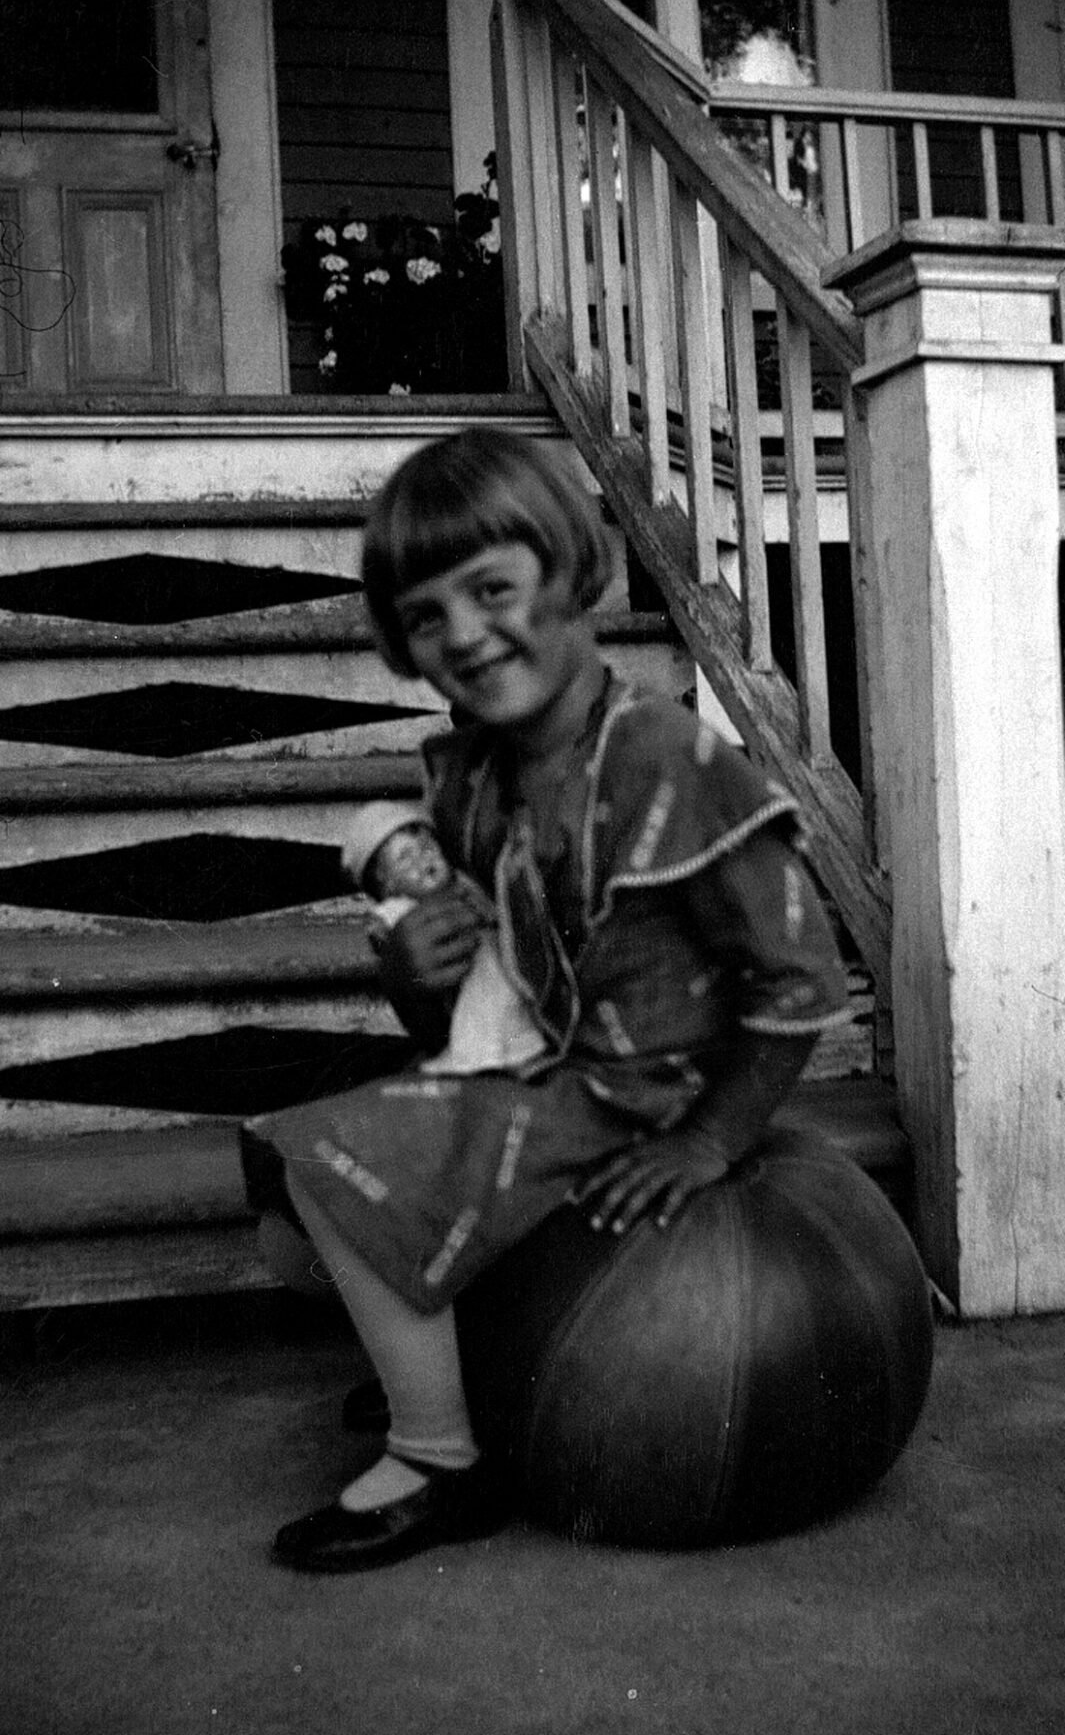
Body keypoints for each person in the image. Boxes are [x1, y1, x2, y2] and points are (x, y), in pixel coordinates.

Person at [243, 426, 850, 1574]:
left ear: (571, 575)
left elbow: (801, 978)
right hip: (545, 1067)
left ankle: (438, 1460)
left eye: (493, 589)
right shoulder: (472, 777)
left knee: (335, 1162)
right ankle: (447, 1353)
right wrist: (414, 973)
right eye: (427, 615)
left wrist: (717, 1138)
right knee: (285, 1196)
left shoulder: (668, 758)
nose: (465, 634)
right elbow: (485, 1002)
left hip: (639, 1090)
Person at [341, 800, 546, 1075]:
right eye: (405, 858)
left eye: (427, 849)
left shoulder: (466, 886)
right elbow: (382, 932)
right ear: (387, 883)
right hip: (464, 978)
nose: (422, 861)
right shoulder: (403, 912)